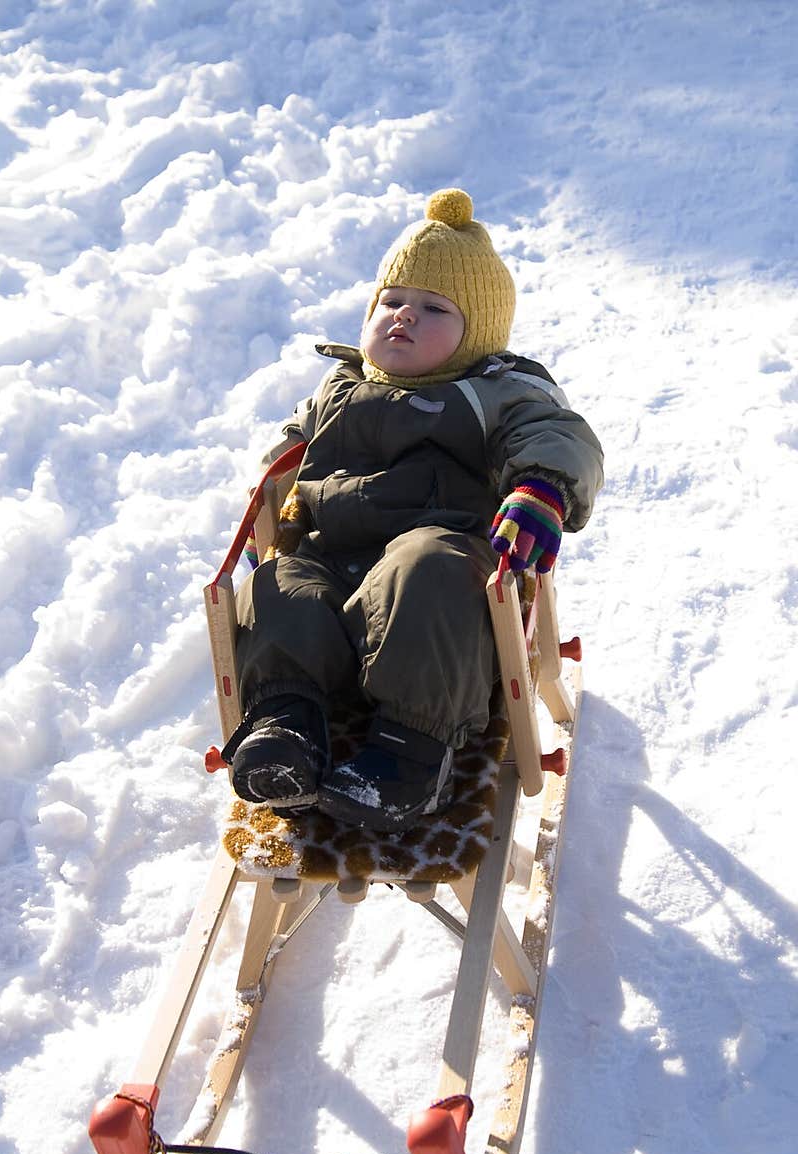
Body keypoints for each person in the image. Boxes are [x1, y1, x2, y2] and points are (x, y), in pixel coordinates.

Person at [221, 188, 604, 832]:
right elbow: (289, 447)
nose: (403, 317)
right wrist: (272, 489)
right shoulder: (340, 385)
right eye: (391, 302)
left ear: (475, 334)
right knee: (278, 584)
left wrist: (541, 486)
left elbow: (559, 436)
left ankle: (409, 751)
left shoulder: (497, 392)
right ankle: (288, 725)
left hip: (439, 569)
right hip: (333, 563)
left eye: (433, 308)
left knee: (426, 566)